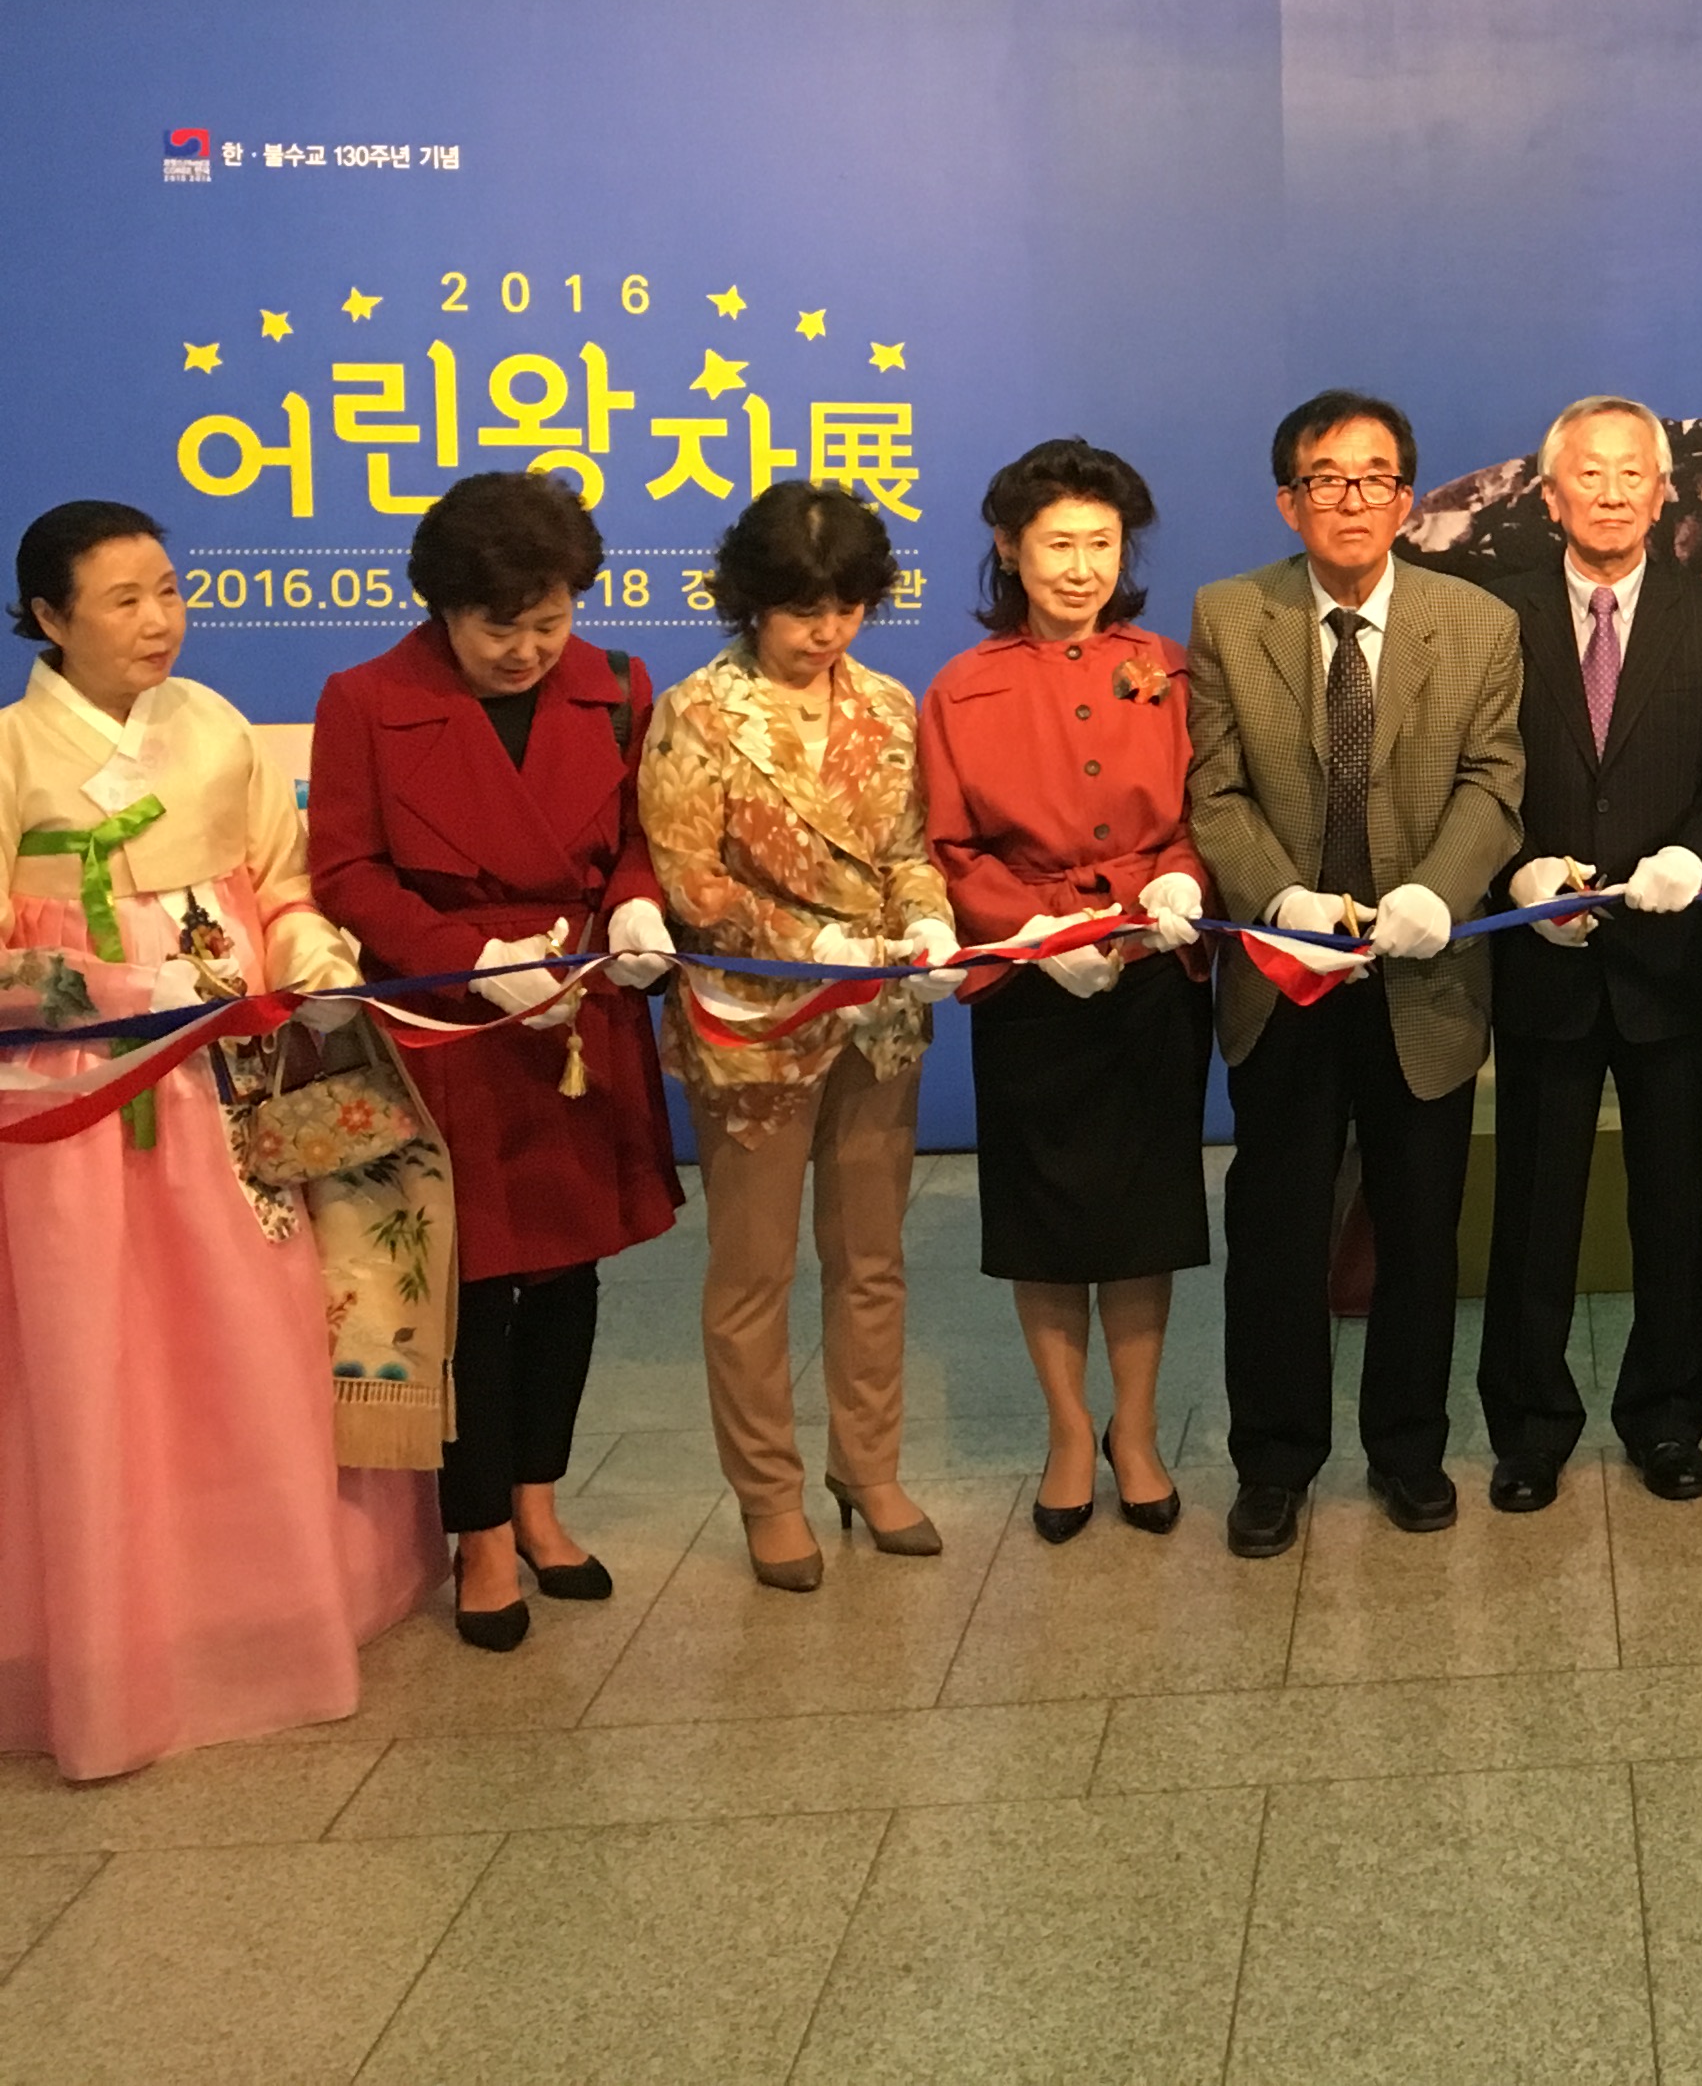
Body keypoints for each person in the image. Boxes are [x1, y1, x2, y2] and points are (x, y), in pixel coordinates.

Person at [0, 502, 445, 1778]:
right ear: (48, 619)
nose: (159, 620)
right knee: (98, 1348)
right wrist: (95, 986)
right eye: (123, 599)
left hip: (232, 1086)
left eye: (169, 590)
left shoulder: (214, 729)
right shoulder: (9, 754)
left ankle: (266, 1606)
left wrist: (311, 959)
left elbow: (281, 884)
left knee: (256, 1323)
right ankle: (102, 1638)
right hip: (73, 1113)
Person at [309, 471, 686, 1649]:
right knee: (467, 1290)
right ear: (439, 609)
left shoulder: (620, 687)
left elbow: (640, 839)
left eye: (551, 620)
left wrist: (633, 913)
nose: (529, 649)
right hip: (451, 1025)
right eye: (499, 627)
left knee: (570, 1278)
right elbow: (347, 873)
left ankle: (539, 1499)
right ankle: (475, 1534)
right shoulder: (366, 697)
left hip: (575, 1014)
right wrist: (468, 956)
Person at [1188, 387, 1523, 1552]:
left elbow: (1494, 779)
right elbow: (1214, 790)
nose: (1351, 498)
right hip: (1285, 984)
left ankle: (1408, 1449)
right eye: (1325, 478)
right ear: (1288, 500)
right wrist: (1276, 897)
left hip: (1423, 981)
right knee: (1278, 1228)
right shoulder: (1229, 617)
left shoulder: (1476, 623)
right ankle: (1274, 1461)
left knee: (1421, 1229)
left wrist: (1440, 888)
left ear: (1409, 499)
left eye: (1374, 477)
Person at [641, 480, 964, 1590]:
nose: (827, 630)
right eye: (801, 609)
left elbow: (912, 843)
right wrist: (800, 943)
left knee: (871, 1260)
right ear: (751, 602)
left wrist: (927, 914)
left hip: (878, 1016)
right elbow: (689, 878)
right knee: (754, 1270)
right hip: (756, 1021)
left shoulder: (885, 701)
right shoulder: (698, 710)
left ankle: (868, 1468)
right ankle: (768, 1494)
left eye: (847, 606)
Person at [918, 440, 1211, 1547]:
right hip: (1030, 975)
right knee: (1046, 1221)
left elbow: (1205, 813)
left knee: (1143, 1217)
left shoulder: (1171, 668)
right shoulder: (963, 687)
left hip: (1149, 968)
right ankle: (1067, 1433)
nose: (1081, 568)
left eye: (1101, 545)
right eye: (1057, 546)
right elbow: (945, 847)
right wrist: (1025, 930)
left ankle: (1134, 1430)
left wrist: (1176, 882)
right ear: (1009, 549)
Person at [1479, 396, 1702, 1512]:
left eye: (1630, 475)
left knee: (1673, 1202)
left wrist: (1694, 857)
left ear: (1664, 492)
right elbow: (1477, 769)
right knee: (1534, 1207)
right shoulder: (1493, 618)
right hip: (1541, 957)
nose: (1609, 493)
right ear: (1550, 498)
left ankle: (1667, 1420)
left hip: (1667, 958)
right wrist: (1518, 872)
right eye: (1586, 476)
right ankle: (1529, 1427)